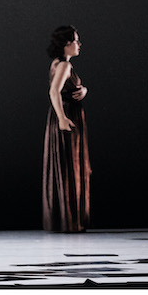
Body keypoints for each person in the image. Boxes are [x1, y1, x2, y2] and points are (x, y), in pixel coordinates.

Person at [42, 25, 91, 232]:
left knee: (66, 165)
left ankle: (65, 219)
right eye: (76, 41)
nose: (79, 45)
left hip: (64, 115)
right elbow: (54, 91)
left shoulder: (58, 64)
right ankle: (69, 220)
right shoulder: (64, 65)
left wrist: (83, 89)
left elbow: (64, 90)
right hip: (67, 116)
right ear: (66, 44)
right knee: (70, 166)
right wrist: (62, 118)